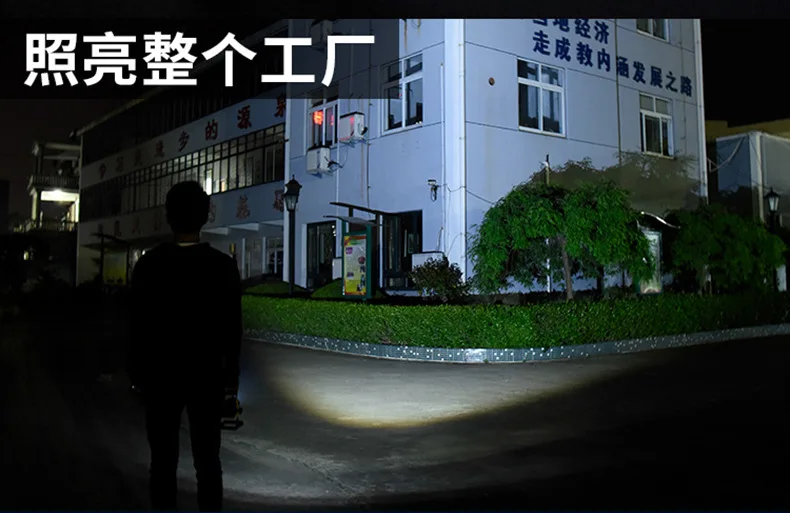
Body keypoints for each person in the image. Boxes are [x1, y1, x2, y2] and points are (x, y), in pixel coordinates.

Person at [128, 181, 242, 512]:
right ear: (206, 216)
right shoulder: (222, 266)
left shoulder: (149, 265)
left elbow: (136, 325)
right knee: (208, 461)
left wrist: (137, 374)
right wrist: (230, 380)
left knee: (162, 461)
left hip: (160, 376)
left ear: (168, 216)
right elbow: (232, 329)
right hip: (206, 375)